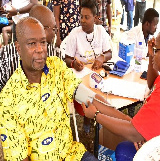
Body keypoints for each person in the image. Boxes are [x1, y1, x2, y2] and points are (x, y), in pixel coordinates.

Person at [81, 22, 160, 160]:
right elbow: (153, 84)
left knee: (123, 149)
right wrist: (151, 57)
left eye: (156, 50)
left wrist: (96, 115)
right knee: (116, 115)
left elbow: (133, 133)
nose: (153, 53)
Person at [0, 16, 98, 160]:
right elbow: (20, 157)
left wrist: (125, 122)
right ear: (19, 48)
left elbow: (89, 97)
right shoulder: (8, 100)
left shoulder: (56, 66)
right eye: (32, 44)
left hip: (72, 154)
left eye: (43, 42)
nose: (40, 50)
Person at [0, 4, 60, 92]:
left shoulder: (3, 54)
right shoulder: (55, 54)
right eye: (54, 29)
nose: (55, 33)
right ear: (42, 29)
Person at [60, 0, 112, 71]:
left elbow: (109, 53)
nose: (82, 20)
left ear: (95, 18)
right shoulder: (75, 34)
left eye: (86, 17)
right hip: (81, 74)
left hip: (98, 72)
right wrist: (73, 63)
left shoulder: (101, 31)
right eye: (81, 17)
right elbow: (67, 59)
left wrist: (102, 57)